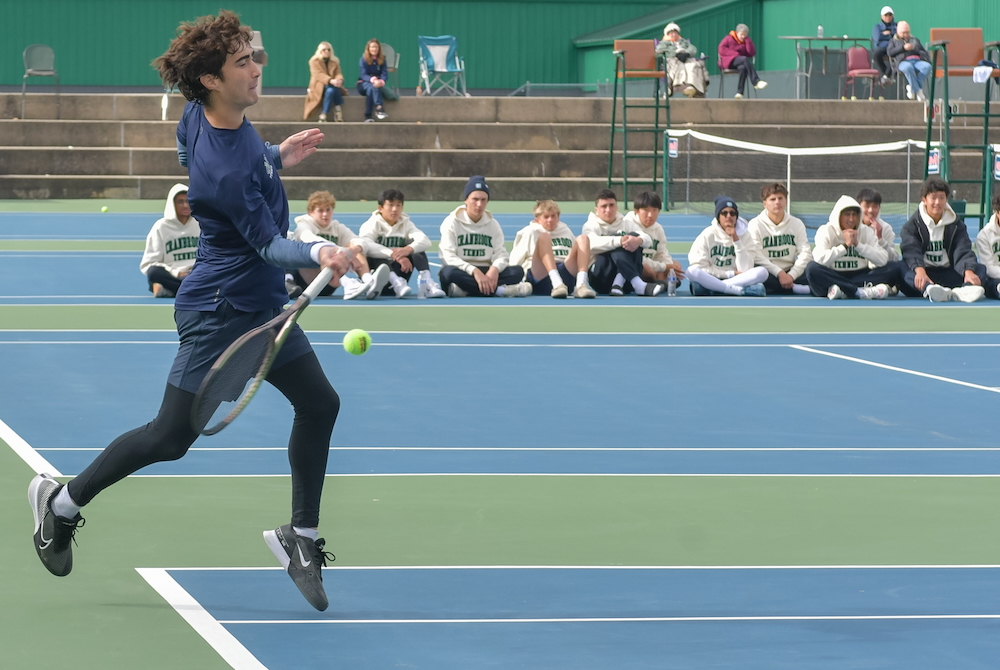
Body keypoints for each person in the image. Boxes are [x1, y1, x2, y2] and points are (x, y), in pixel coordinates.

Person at [27, 12, 346, 612]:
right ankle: (60, 503)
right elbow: (270, 244)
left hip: (262, 304)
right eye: (243, 63)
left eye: (256, 56)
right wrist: (321, 248)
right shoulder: (226, 170)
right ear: (209, 79)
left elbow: (189, 151)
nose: (258, 68)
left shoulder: (202, 117)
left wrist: (276, 155)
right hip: (223, 312)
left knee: (320, 402)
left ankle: (299, 536)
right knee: (170, 437)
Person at [438, 176, 532, 297]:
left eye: (483, 200)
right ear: (466, 200)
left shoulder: (493, 224)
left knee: (517, 271)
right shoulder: (451, 222)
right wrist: (474, 271)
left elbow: (501, 254)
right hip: (464, 270)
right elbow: (448, 257)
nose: (479, 204)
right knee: (447, 273)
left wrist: (495, 269)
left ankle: (465, 290)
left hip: (487, 270)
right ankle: (500, 291)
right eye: (475, 199)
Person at [899, 178, 986, 302]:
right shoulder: (912, 225)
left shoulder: (956, 224)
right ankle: (930, 290)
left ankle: (965, 291)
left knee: (980, 269)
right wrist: (920, 271)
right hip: (924, 274)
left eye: (942, 198)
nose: (937, 202)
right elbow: (910, 251)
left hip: (948, 272)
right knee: (900, 268)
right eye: (933, 197)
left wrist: (968, 271)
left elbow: (963, 249)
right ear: (924, 199)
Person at [287, 190, 385, 300]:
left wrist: (353, 251)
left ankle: (369, 282)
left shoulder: (337, 227)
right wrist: (343, 252)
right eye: (320, 210)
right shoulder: (304, 224)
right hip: (307, 282)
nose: (325, 214)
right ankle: (349, 284)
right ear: (311, 212)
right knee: (323, 254)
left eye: (328, 210)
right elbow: (307, 238)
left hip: (330, 283)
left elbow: (360, 241)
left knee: (355, 248)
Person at [357, 188, 446, 299]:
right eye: (390, 205)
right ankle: (396, 283)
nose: (395, 209)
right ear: (380, 208)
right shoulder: (370, 225)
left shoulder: (406, 223)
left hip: (401, 273)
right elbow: (366, 245)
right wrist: (394, 255)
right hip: (378, 278)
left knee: (416, 248)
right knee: (374, 252)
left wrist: (407, 250)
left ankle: (427, 283)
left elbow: (425, 241)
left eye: (398, 205)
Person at [805, 195, 896, 300]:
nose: (851, 219)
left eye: (854, 215)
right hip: (834, 274)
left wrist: (858, 245)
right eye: (847, 215)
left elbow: (883, 259)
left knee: (893, 267)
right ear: (838, 216)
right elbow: (819, 259)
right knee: (812, 268)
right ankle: (858, 291)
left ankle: (843, 290)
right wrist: (845, 246)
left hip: (859, 275)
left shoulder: (865, 231)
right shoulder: (825, 231)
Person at [509, 199, 597, 299]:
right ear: (538, 219)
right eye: (546, 217)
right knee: (544, 237)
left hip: (565, 272)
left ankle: (581, 285)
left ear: (558, 217)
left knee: (583, 238)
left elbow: (578, 256)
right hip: (541, 275)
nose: (550, 220)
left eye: (553, 216)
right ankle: (557, 284)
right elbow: (516, 258)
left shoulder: (566, 231)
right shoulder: (530, 232)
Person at [582, 189, 662, 296]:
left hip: (626, 283)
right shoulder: (590, 225)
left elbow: (647, 238)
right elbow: (591, 243)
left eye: (611, 205)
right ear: (596, 210)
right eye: (604, 206)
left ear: (616, 207)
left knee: (635, 237)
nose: (608, 209)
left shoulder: (626, 223)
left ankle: (618, 284)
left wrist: (638, 240)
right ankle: (638, 284)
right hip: (601, 278)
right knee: (619, 239)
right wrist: (619, 240)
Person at [686, 196, 768, 296]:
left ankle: (714, 289)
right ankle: (735, 290)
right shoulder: (707, 235)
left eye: (732, 213)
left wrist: (736, 239)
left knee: (763, 272)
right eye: (724, 213)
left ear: (736, 217)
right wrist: (729, 273)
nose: (728, 216)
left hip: (737, 279)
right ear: (718, 217)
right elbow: (700, 267)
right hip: (712, 277)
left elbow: (745, 269)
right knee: (691, 271)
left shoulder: (746, 236)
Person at [748, 183, 812, 294]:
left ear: (786, 201)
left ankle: (787, 286)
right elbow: (757, 256)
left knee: (814, 269)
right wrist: (779, 273)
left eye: (780, 198)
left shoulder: (796, 223)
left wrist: (791, 275)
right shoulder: (755, 224)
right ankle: (796, 288)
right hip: (769, 273)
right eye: (772, 199)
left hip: (791, 272)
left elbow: (805, 254)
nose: (777, 202)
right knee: (757, 273)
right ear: (765, 204)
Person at [139, 183, 201, 298]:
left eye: (188, 201)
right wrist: (176, 273)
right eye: (180, 202)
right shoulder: (160, 227)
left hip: (196, 273)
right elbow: (148, 264)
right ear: (172, 204)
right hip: (172, 275)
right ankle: (194, 291)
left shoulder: (200, 224)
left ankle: (172, 290)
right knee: (154, 272)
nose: (185, 205)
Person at [622, 191, 685, 288]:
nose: (650, 215)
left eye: (655, 210)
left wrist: (670, 267)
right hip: (634, 266)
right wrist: (664, 267)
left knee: (675, 265)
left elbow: (662, 253)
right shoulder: (627, 225)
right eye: (646, 210)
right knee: (648, 271)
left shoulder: (658, 229)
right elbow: (637, 259)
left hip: (654, 266)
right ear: (636, 211)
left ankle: (658, 281)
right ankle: (656, 281)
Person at [655, 22, 709, 98]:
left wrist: (687, 53)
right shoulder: (663, 43)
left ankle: (692, 86)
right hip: (672, 60)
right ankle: (680, 86)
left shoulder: (683, 42)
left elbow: (693, 48)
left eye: (675, 32)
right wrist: (675, 53)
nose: (673, 34)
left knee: (695, 65)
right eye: (671, 33)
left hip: (686, 58)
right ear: (667, 34)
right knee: (680, 65)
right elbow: (659, 51)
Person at [718, 23, 766, 98]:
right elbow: (721, 50)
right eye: (741, 34)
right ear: (737, 33)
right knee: (744, 59)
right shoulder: (728, 38)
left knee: (743, 68)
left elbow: (751, 53)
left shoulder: (746, 41)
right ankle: (756, 81)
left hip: (740, 62)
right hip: (728, 62)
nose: (743, 36)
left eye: (745, 35)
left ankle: (739, 93)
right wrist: (735, 54)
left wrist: (748, 41)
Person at [304, 41, 346, 123]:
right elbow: (317, 74)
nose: (327, 51)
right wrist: (330, 80)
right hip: (318, 86)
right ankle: (337, 109)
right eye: (324, 50)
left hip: (332, 85)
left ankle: (324, 114)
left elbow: (338, 72)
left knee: (331, 90)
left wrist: (339, 79)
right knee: (333, 88)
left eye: (329, 50)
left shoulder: (335, 61)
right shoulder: (314, 61)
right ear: (320, 51)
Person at [888, 21, 931, 101]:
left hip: (917, 61)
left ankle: (913, 87)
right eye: (903, 33)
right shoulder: (893, 41)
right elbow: (890, 53)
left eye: (907, 32)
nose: (905, 35)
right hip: (903, 61)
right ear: (898, 32)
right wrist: (903, 48)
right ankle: (918, 90)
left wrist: (916, 48)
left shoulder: (915, 40)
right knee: (908, 67)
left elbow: (924, 52)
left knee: (927, 67)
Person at [857, 187, 900, 264]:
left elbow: (894, 259)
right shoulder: (851, 226)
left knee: (894, 267)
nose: (871, 210)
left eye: (875, 206)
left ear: (879, 208)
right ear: (858, 206)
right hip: (856, 268)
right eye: (867, 206)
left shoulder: (886, 228)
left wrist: (880, 239)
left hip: (876, 271)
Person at [974, 194, 1000, 300]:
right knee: (991, 282)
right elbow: (989, 267)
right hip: (995, 278)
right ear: (998, 213)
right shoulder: (984, 235)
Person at [357, 38, 388, 122]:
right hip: (363, 84)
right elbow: (363, 75)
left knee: (372, 89)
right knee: (372, 87)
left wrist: (381, 81)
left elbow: (384, 73)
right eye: (372, 47)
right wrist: (373, 80)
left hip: (376, 84)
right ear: (368, 48)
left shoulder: (382, 59)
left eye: (376, 47)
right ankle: (379, 107)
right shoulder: (363, 59)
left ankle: (368, 116)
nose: (374, 49)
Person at [871, 6, 897, 85]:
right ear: (882, 16)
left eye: (890, 15)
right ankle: (888, 75)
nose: (888, 17)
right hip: (881, 48)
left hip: (893, 47)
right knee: (876, 54)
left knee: (897, 56)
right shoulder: (877, 27)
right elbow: (877, 38)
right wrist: (891, 36)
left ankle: (886, 76)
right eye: (886, 15)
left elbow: (899, 36)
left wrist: (886, 34)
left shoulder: (897, 25)